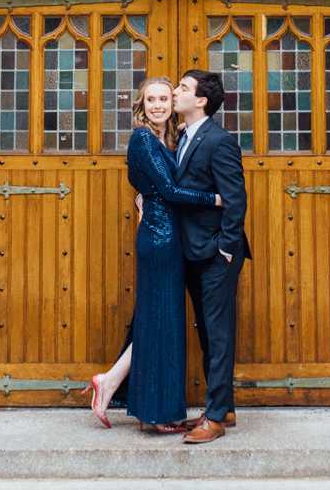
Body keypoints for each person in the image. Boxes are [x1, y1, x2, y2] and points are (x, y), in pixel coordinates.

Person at [84, 77, 222, 432]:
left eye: (164, 98)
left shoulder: (166, 139)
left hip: (170, 236)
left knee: (158, 320)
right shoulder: (143, 139)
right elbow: (169, 189)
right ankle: (155, 413)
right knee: (160, 321)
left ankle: (111, 383)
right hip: (160, 239)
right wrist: (214, 199)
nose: (159, 105)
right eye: (151, 100)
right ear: (141, 105)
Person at [170, 69, 250, 445]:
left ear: (201, 100)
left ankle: (215, 417)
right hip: (191, 250)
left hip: (217, 254)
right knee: (207, 331)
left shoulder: (219, 141)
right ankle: (226, 407)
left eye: (182, 88)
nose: (174, 92)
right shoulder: (182, 137)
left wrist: (226, 248)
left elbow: (235, 198)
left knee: (218, 333)